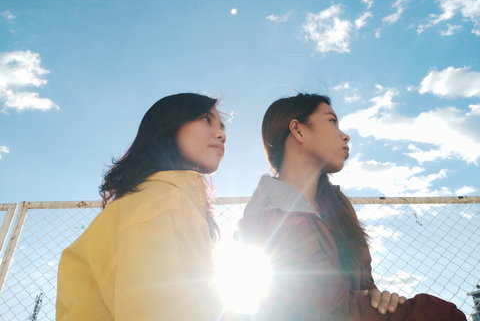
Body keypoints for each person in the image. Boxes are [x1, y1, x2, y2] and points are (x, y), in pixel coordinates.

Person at [237, 93, 466, 321]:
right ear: (298, 130)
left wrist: (378, 297)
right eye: (332, 121)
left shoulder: (338, 205)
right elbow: (326, 310)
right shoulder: (272, 210)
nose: (345, 136)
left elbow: (362, 285)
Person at [56, 93, 227, 321]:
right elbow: (157, 311)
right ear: (170, 124)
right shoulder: (161, 202)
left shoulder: (156, 199)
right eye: (206, 119)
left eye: (222, 126)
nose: (222, 134)